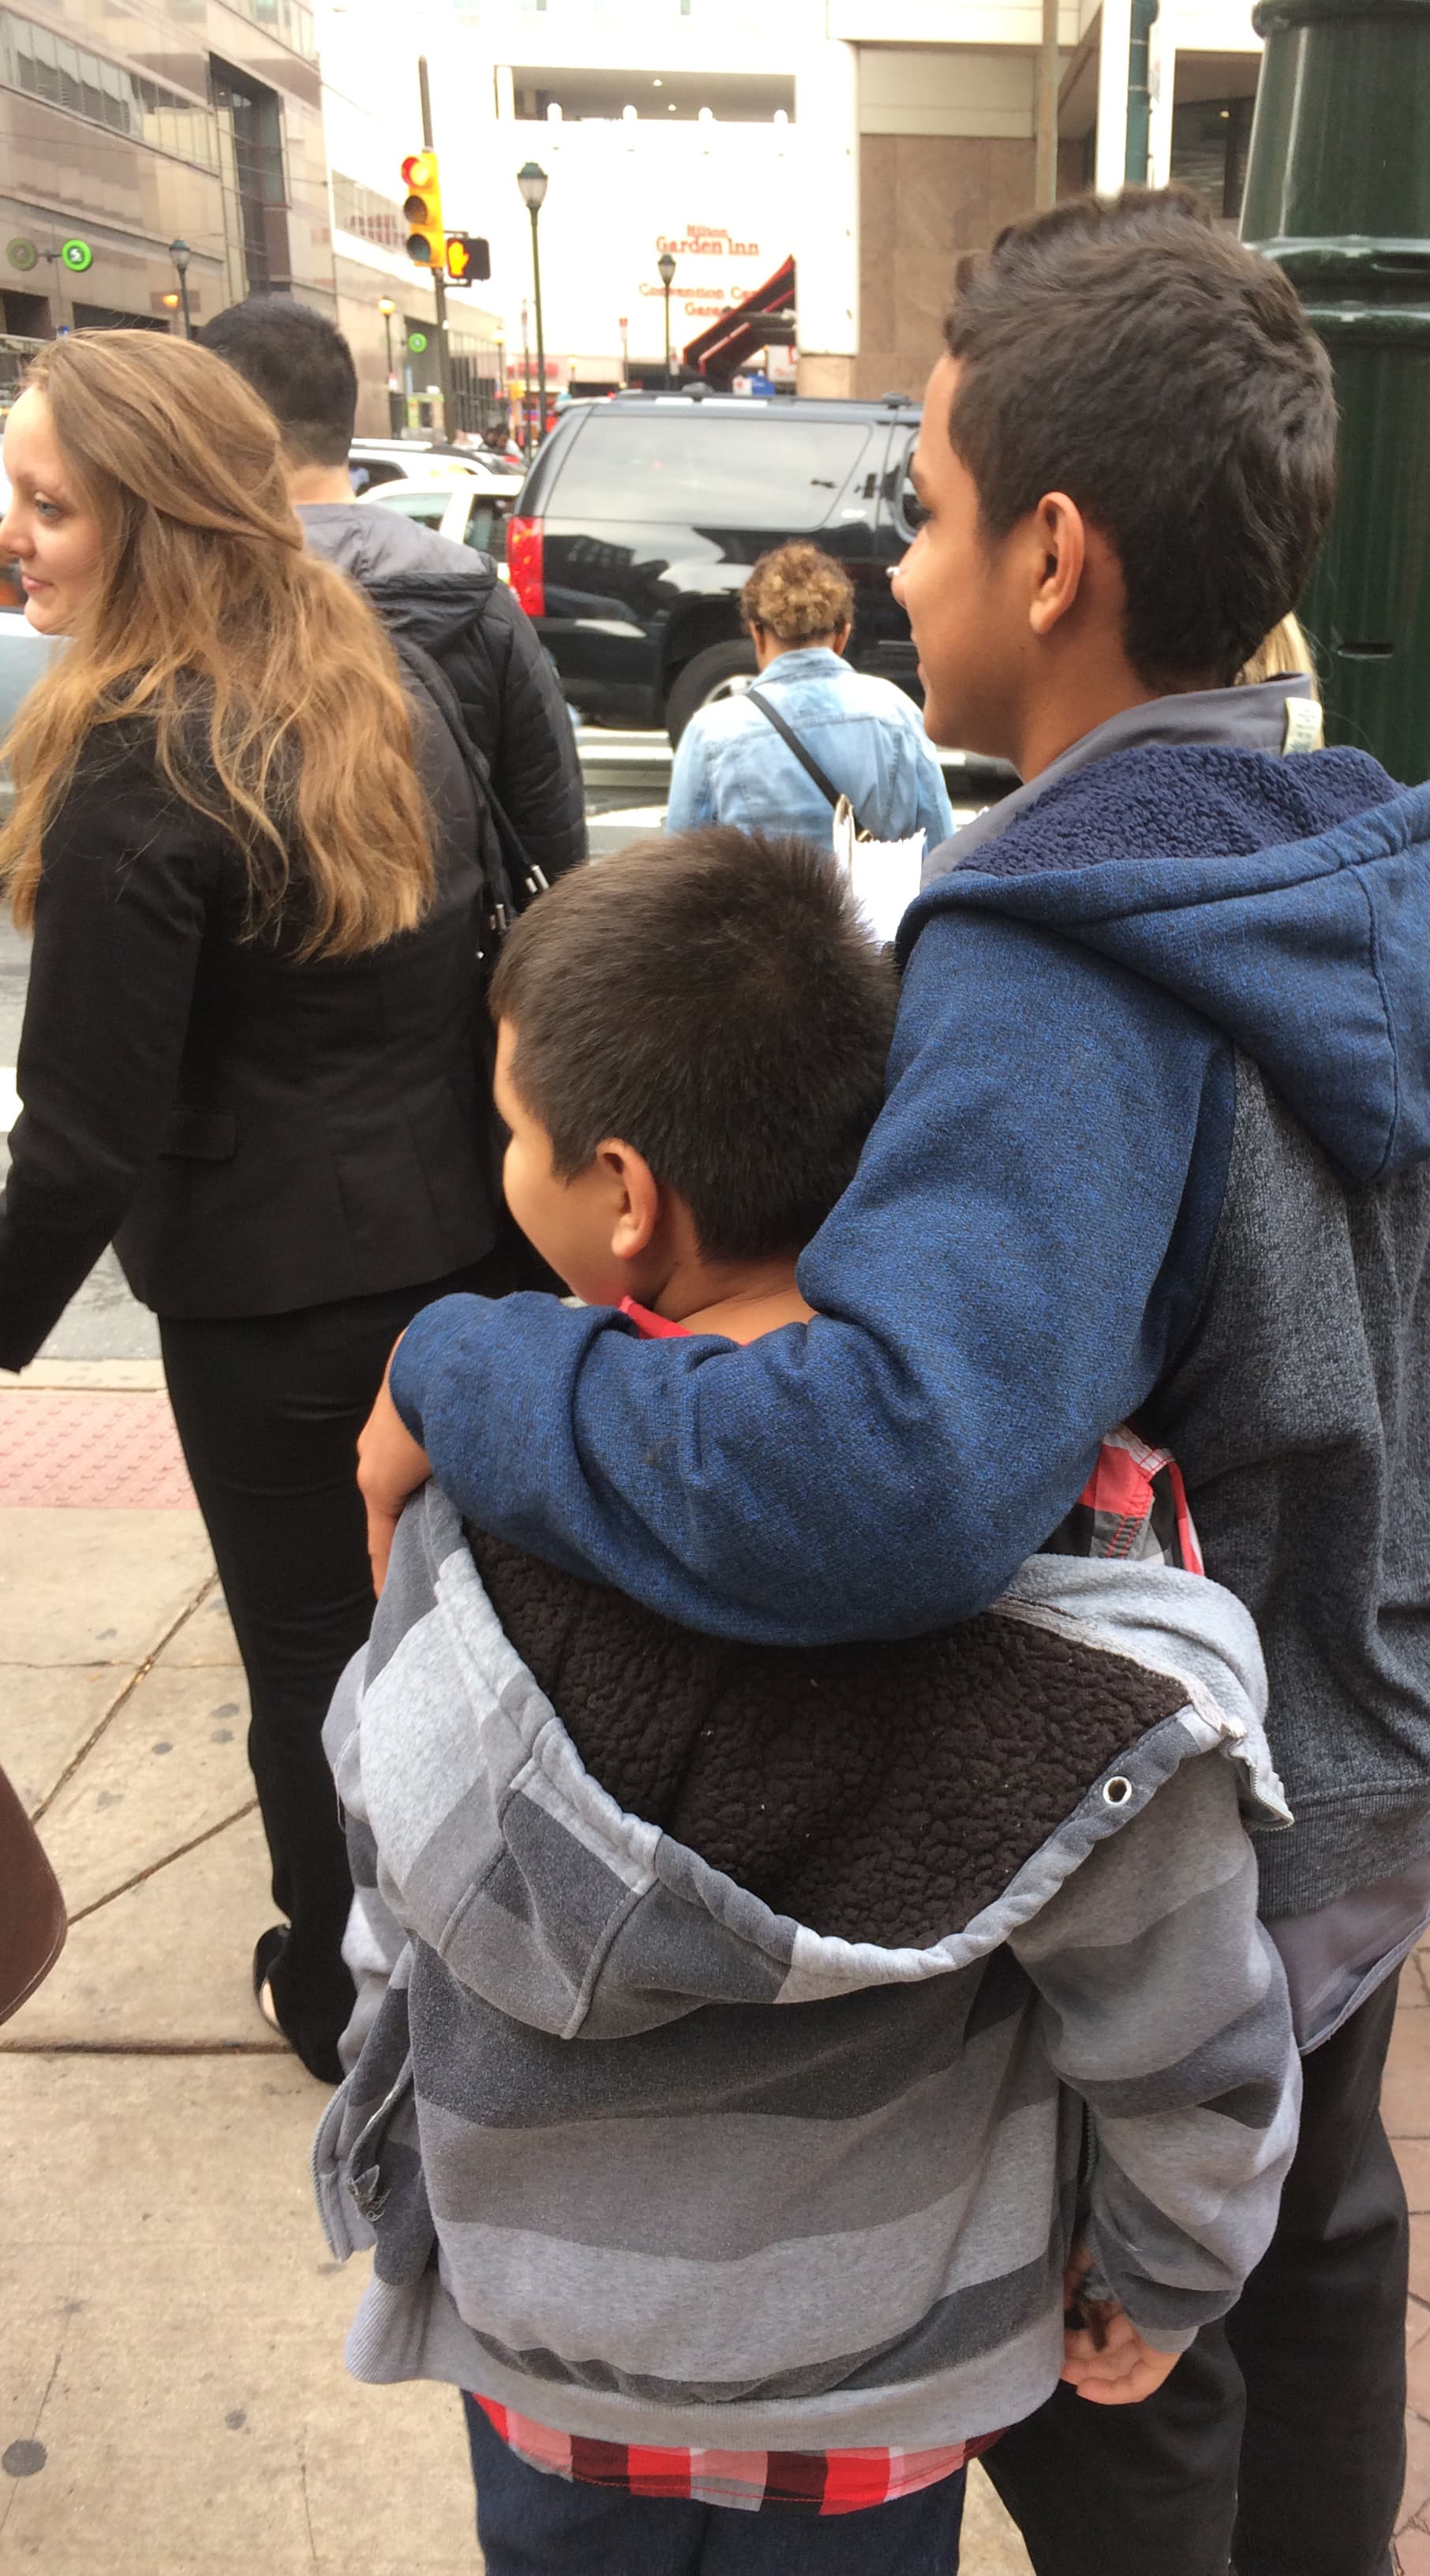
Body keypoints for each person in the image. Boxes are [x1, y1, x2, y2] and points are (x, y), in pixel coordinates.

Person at [358, 189, 1430, 2576]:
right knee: (1311, 2293)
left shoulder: (1066, 962)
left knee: (1131, 2392)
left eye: (938, 510)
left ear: (1060, 552)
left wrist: (479, 1362)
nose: (900, 570)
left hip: (1178, 1828)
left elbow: (884, 1476)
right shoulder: (1390, 867)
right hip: (1377, 1763)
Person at [320, 831, 1298, 2576]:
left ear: (624, 1194)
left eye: (510, 1133)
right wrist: (1170, 2266)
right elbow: (1178, 2004)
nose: (501, 1167)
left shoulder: (478, 1504)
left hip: (554, 2352)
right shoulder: (1060, 1533)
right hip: (883, 2385)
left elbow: (393, 1868)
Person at [0, 330, 520, 2087]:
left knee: (315, 1660)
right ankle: (477, 1948)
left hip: (273, 1309)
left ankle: (346, 1992)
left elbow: (74, 1137)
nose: (18, 534)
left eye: (49, 503)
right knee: (445, 1633)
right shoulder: (379, 678)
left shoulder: (144, 761)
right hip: (460, 1250)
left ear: (152, 518)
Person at [197, 296, 584, 893]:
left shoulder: (191, 603)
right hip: (457, 968)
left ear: (218, 427)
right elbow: (551, 837)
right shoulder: (479, 601)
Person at [664, 541, 953, 851]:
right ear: (843, 635)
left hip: (762, 900)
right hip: (873, 900)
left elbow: (680, 866)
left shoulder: (712, 733)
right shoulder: (897, 713)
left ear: (757, 634)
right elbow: (940, 843)